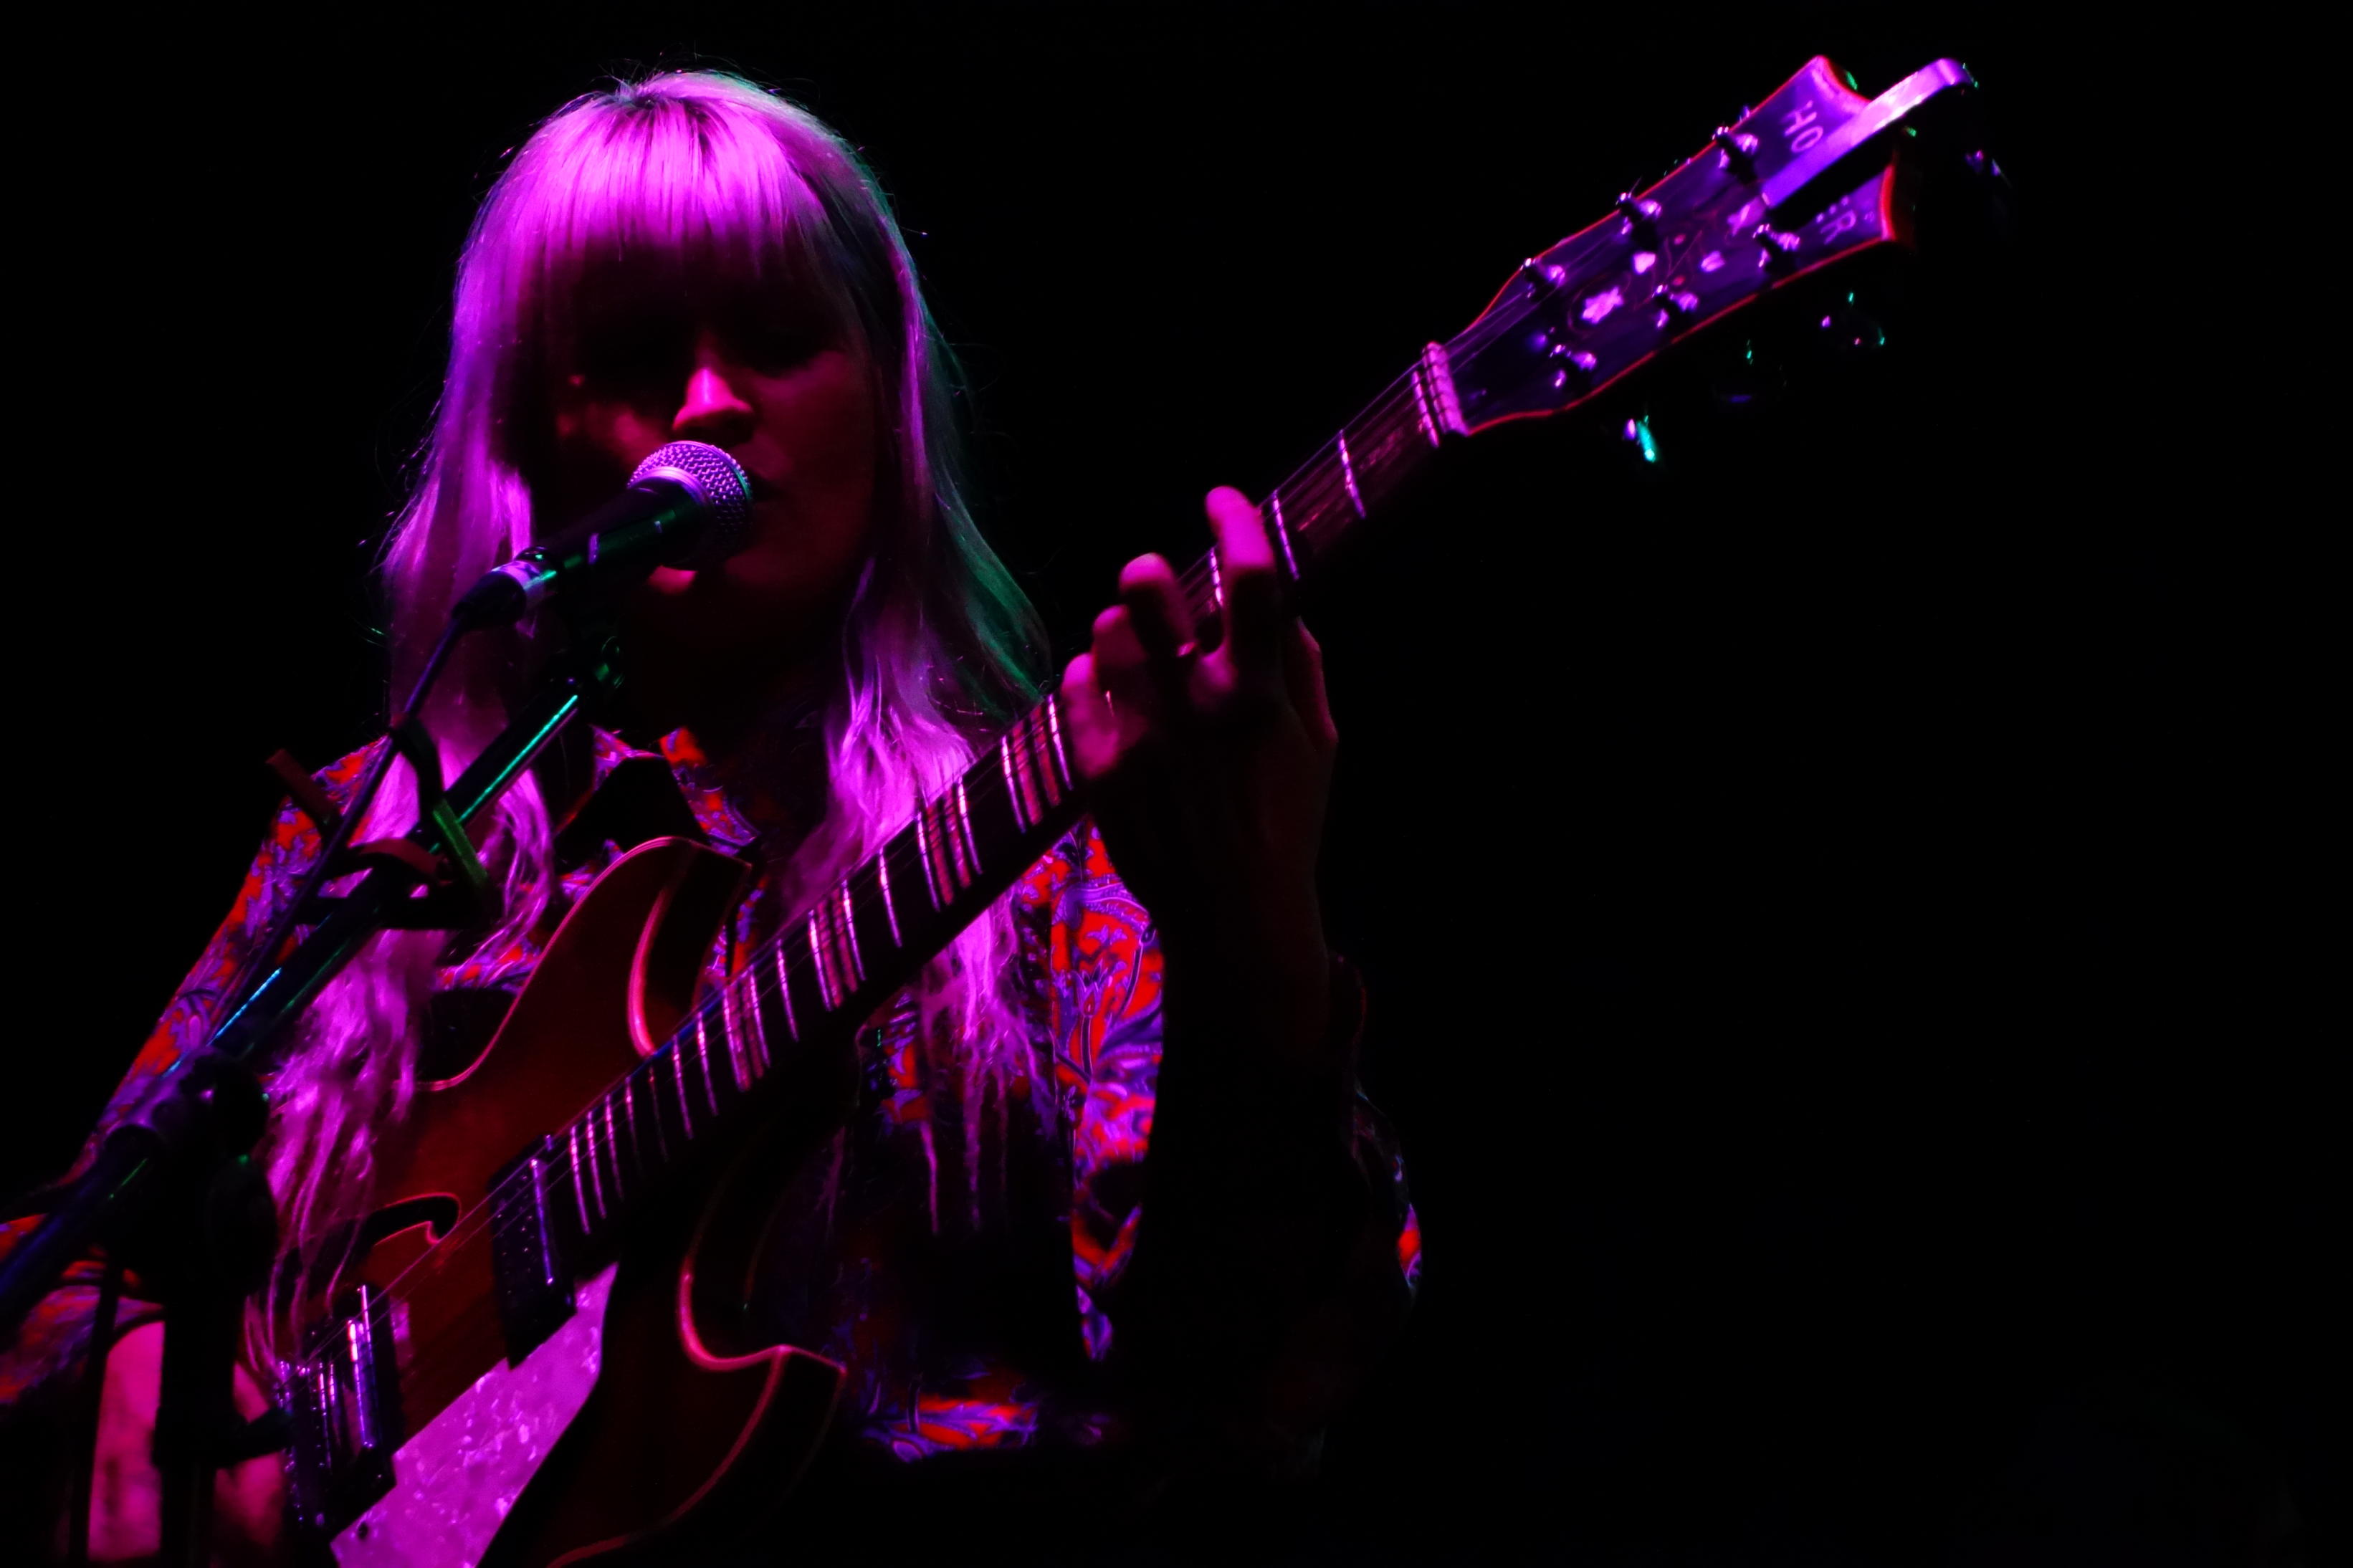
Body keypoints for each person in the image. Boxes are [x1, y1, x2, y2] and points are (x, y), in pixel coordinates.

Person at [0, 71, 1417, 1563]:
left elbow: (1260, 1374)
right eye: (629, 357)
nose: (708, 404)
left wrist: (1260, 953)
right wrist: (124, 1360)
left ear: (886, 401)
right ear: (526, 439)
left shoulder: (1038, 860)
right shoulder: (375, 851)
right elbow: (50, 1266)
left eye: (779, 337)